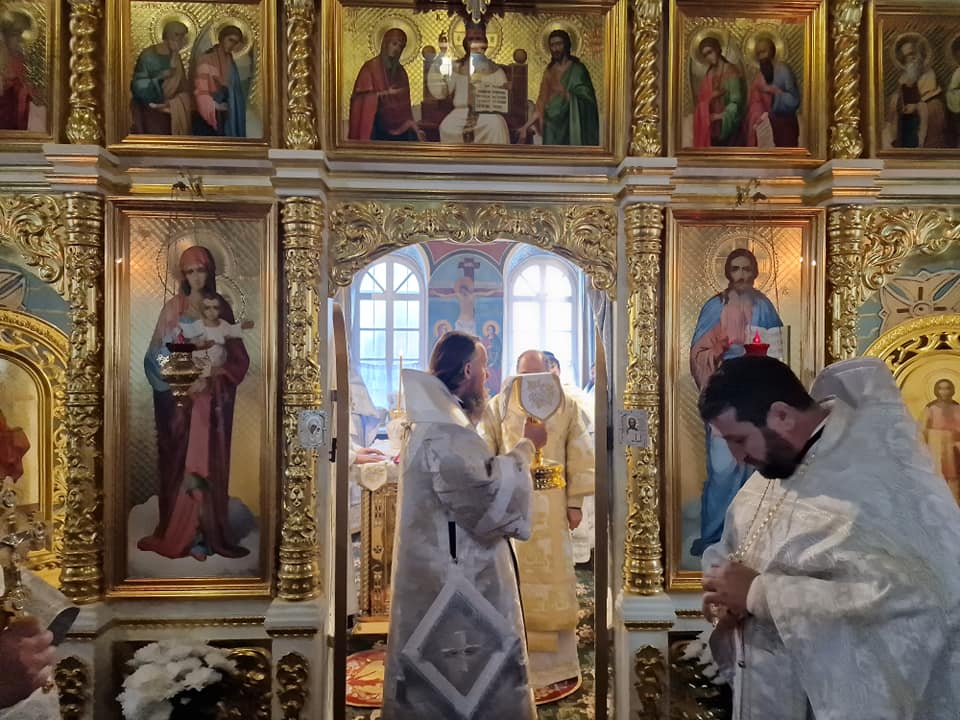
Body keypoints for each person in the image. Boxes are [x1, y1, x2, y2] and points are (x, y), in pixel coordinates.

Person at [699, 355, 960, 719]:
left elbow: (921, 597)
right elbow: (735, 547)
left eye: (739, 439)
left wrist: (760, 595)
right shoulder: (775, 469)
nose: (738, 458)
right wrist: (721, 589)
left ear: (782, 415)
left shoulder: (878, 480)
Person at [382, 331, 544, 720]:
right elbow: (484, 498)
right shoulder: (445, 432)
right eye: (484, 367)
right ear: (468, 370)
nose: (488, 376)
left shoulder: (437, 422)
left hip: (437, 571)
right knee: (463, 673)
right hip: (457, 577)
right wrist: (527, 447)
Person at [479, 349, 594, 690]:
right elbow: (486, 450)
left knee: (555, 574)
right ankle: (515, 660)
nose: (530, 381)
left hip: (554, 505)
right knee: (511, 577)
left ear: (549, 372)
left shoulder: (566, 403)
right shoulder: (499, 405)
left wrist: (575, 503)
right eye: (524, 374)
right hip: (513, 505)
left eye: (536, 374)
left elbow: (579, 451)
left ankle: (556, 665)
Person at [139, 246, 250, 561]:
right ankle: (181, 533)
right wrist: (184, 381)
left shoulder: (220, 308)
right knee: (182, 464)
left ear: (210, 272)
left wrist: (217, 373)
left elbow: (238, 357)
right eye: (190, 271)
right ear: (182, 275)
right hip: (181, 402)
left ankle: (207, 533)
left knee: (206, 464)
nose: (196, 277)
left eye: (201, 270)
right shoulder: (173, 309)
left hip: (212, 403)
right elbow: (156, 356)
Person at [689, 249, 783, 557]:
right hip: (724, 391)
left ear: (755, 272)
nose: (741, 275)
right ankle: (714, 535)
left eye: (746, 269)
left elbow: (778, 347)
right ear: (728, 272)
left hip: (756, 391)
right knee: (722, 468)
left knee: (754, 465)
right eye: (736, 269)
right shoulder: (715, 307)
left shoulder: (764, 306)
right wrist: (717, 349)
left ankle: (749, 537)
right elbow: (698, 354)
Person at [426, 21, 510, 144]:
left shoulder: (495, 70)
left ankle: (492, 157)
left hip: (487, 115)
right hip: (460, 113)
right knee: (446, 126)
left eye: (478, 39)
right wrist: (442, 55)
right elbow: (441, 92)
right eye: (471, 39)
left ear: (485, 42)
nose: (474, 43)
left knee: (495, 125)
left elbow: (503, 97)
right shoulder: (456, 67)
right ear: (465, 42)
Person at [516, 29, 599, 145]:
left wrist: (567, 95)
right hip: (551, 128)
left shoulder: (578, 70)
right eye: (552, 45)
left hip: (571, 125)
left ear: (566, 45)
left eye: (559, 44)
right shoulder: (549, 72)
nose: (555, 49)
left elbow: (588, 100)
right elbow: (541, 104)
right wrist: (525, 127)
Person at [348, 28, 424, 141]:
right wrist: (385, 94)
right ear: (385, 43)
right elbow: (359, 99)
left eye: (400, 46)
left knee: (413, 138)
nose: (397, 49)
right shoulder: (370, 68)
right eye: (394, 44)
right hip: (376, 124)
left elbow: (405, 109)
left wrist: (414, 127)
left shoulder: (401, 73)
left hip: (399, 125)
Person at [130, 20, 192, 135]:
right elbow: (138, 85)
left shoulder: (176, 58)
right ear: (168, 37)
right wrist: (160, 77)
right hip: (149, 111)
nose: (181, 43)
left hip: (171, 110)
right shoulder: (148, 56)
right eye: (179, 38)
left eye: (183, 39)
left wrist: (177, 101)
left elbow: (183, 87)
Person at [886, 35, 946, 148]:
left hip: (929, 136)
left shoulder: (931, 77)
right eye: (906, 57)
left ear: (921, 54)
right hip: (906, 130)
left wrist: (918, 107)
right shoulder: (904, 80)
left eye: (912, 54)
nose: (910, 59)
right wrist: (897, 103)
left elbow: (937, 107)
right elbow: (896, 109)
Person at [179, 291, 255, 379]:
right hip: (202, 354)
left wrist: (243, 326)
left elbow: (232, 330)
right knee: (193, 360)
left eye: (215, 308)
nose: (211, 311)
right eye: (207, 308)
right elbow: (188, 332)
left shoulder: (223, 324)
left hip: (217, 355)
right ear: (202, 309)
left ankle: (212, 373)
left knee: (213, 361)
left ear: (220, 310)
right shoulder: (200, 324)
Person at [743, 37, 800, 147]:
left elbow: (794, 100)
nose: (761, 57)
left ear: (772, 51)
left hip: (785, 122)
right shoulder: (759, 78)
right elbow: (754, 103)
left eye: (764, 52)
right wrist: (758, 115)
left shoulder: (783, 70)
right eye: (758, 54)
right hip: (767, 124)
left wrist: (777, 92)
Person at [192, 25, 247, 137]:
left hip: (226, 113)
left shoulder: (230, 62)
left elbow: (235, 90)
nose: (232, 45)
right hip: (209, 116)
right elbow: (200, 90)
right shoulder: (206, 59)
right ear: (222, 38)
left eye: (235, 42)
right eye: (230, 40)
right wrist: (215, 104)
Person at [693, 36, 745, 147]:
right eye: (705, 55)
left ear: (717, 49)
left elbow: (736, 102)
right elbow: (702, 101)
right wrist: (712, 97)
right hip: (713, 128)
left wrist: (719, 116)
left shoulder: (731, 71)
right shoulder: (709, 74)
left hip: (729, 127)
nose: (708, 57)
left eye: (710, 52)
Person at [920, 378, 960, 499]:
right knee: (937, 477)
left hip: (954, 449)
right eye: (941, 388)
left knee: (953, 479)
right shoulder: (931, 408)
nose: (944, 391)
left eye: (947, 388)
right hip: (935, 449)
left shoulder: (957, 408)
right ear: (936, 390)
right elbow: (921, 430)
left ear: (952, 390)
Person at [0, 9, 34, 131]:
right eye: (15, 34)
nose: (20, 40)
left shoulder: (23, 60)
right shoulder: (2, 58)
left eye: (22, 34)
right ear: (5, 36)